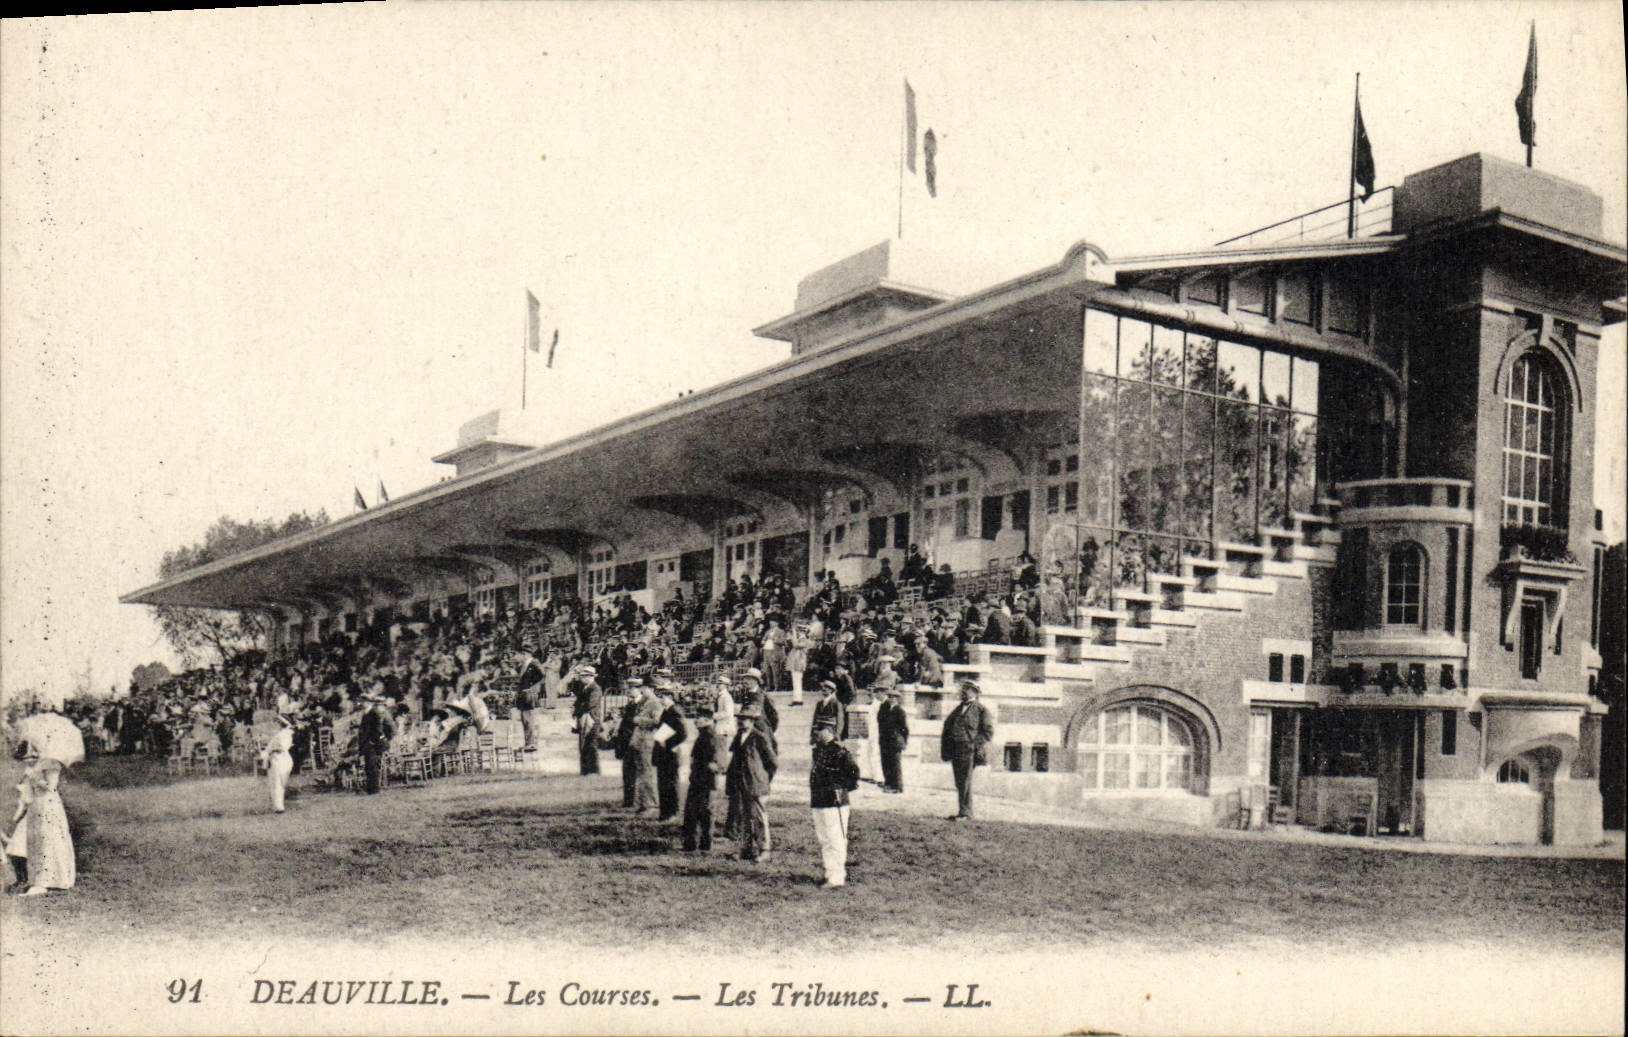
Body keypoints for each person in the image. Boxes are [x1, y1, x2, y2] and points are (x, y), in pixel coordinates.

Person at [7, 742, 75, 896]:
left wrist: (35, 778)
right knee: (36, 841)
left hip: (48, 804)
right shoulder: (36, 764)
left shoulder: (51, 763)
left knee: (48, 839)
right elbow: (28, 793)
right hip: (36, 805)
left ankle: (50, 880)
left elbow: (51, 786)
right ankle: (36, 879)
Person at [808, 720, 860, 888]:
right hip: (819, 800)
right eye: (816, 730)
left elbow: (854, 773)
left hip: (834, 801)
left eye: (821, 730)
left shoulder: (839, 752)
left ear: (830, 731)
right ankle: (829, 872)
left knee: (835, 839)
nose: (817, 733)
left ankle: (836, 877)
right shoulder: (818, 751)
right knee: (825, 839)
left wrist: (841, 789)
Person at [726, 705, 777, 862]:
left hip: (756, 784)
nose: (742, 722)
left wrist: (763, 779)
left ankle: (765, 850)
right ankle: (746, 849)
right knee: (745, 817)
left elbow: (772, 763)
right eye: (740, 719)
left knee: (760, 818)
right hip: (742, 783)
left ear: (753, 721)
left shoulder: (759, 737)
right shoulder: (739, 736)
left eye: (746, 719)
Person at [940, 679, 995, 821]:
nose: (963, 691)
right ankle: (962, 811)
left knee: (965, 781)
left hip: (968, 750)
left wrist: (974, 745)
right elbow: (947, 727)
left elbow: (987, 732)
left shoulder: (981, 710)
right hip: (955, 749)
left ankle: (966, 813)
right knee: (959, 781)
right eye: (963, 689)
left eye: (967, 689)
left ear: (975, 692)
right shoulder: (958, 709)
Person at [681, 713, 719, 852]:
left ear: (708, 720)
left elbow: (713, 762)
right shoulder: (704, 734)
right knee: (696, 812)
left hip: (704, 780)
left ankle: (702, 843)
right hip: (699, 779)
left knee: (703, 812)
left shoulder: (710, 736)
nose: (696, 721)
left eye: (700, 717)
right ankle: (696, 843)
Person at [651, 683, 688, 821]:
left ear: (671, 697)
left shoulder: (675, 711)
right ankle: (665, 812)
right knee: (663, 782)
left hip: (670, 753)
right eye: (661, 696)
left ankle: (672, 812)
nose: (662, 699)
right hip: (663, 753)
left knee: (671, 783)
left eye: (664, 696)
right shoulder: (667, 711)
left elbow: (683, 733)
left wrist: (668, 743)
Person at [627, 679, 663, 817]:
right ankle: (642, 804)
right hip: (639, 740)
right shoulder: (644, 702)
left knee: (646, 773)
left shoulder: (655, 703)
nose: (642, 690)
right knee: (640, 773)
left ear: (651, 689)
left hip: (647, 741)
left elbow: (657, 721)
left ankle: (650, 805)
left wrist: (639, 720)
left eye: (645, 688)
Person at [358, 695, 395, 795]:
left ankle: (374, 789)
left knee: (372, 766)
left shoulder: (374, 712)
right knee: (368, 765)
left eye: (363, 702)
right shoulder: (367, 713)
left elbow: (378, 729)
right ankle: (370, 788)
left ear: (369, 703)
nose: (361, 704)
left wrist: (374, 741)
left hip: (374, 743)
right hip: (368, 743)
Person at [570, 664, 603, 775]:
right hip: (584, 719)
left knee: (591, 745)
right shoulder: (584, 688)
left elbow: (590, 704)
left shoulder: (595, 689)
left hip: (592, 720)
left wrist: (577, 708)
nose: (582, 679)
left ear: (590, 677)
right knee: (583, 744)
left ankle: (594, 770)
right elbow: (578, 698)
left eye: (584, 676)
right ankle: (585, 770)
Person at [259, 715, 296, 813]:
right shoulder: (280, 734)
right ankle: (276, 806)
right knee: (275, 782)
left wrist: (271, 750)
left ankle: (279, 806)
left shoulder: (285, 734)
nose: (276, 724)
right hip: (275, 759)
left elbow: (283, 747)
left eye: (278, 722)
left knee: (278, 782)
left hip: (280, 759)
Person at [877, 687, 910, 794]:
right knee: (885, 763)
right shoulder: (884, 709)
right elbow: (879, 721)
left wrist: (903, 741)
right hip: (885, 740)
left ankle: (898, 786)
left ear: (897, 699)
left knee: (895, 764)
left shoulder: (900, 711)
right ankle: (889, 784)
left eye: (894, 697)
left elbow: (904, 728)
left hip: (895, 740)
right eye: (890, 697)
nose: (891, 699)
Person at [810, 680, 846, 747]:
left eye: (827, 688)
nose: (824, 689)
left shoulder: (836, 703)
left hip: (830, 732)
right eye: (823, 688)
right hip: (819, 732)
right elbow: (815, 719)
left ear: (831, 690)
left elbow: (840, 720)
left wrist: (837, 734)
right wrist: (812, 734)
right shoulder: (819, 703)